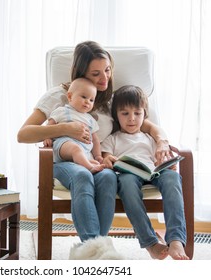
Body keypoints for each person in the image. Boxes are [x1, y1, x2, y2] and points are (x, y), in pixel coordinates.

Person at [17, 41, 172, 259]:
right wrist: (65, 128)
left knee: (108, 177)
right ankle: (97, 251)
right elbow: (23, 134)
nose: (104, 78)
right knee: (82, 175)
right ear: (81, 73)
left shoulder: (110, 98)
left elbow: (143, 123)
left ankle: (95, 251)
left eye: (107, 70)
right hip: (65, 160)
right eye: (96, 73)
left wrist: (161, 140)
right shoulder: (60, 96)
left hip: (95, 159)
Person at [101, 85, 189, 260]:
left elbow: (162, 156)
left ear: (144, 115)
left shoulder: (151, 138)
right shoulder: (113, 138)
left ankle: (176, 238)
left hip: (153, 172)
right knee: (126, 184)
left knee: (172, 177)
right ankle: (150, 242)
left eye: (137, 113)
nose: (132, 119)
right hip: (129, 175)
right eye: (125, 113)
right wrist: (108, 159)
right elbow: (105, 156)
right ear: (116, 115)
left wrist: (166, 163)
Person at [43, 77, 105, 173]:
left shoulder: (91, 119)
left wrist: (98, 155)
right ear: (70, 96)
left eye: (91, 100)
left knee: (83, 154)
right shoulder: (62, 111)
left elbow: (95, 139)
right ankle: (89, 168)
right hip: (64, 144)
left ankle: (85, 162)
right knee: (76, 149)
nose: (87, 101)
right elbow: (49, 126)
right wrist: (47, 137)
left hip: (85, 150)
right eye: (84, 97)